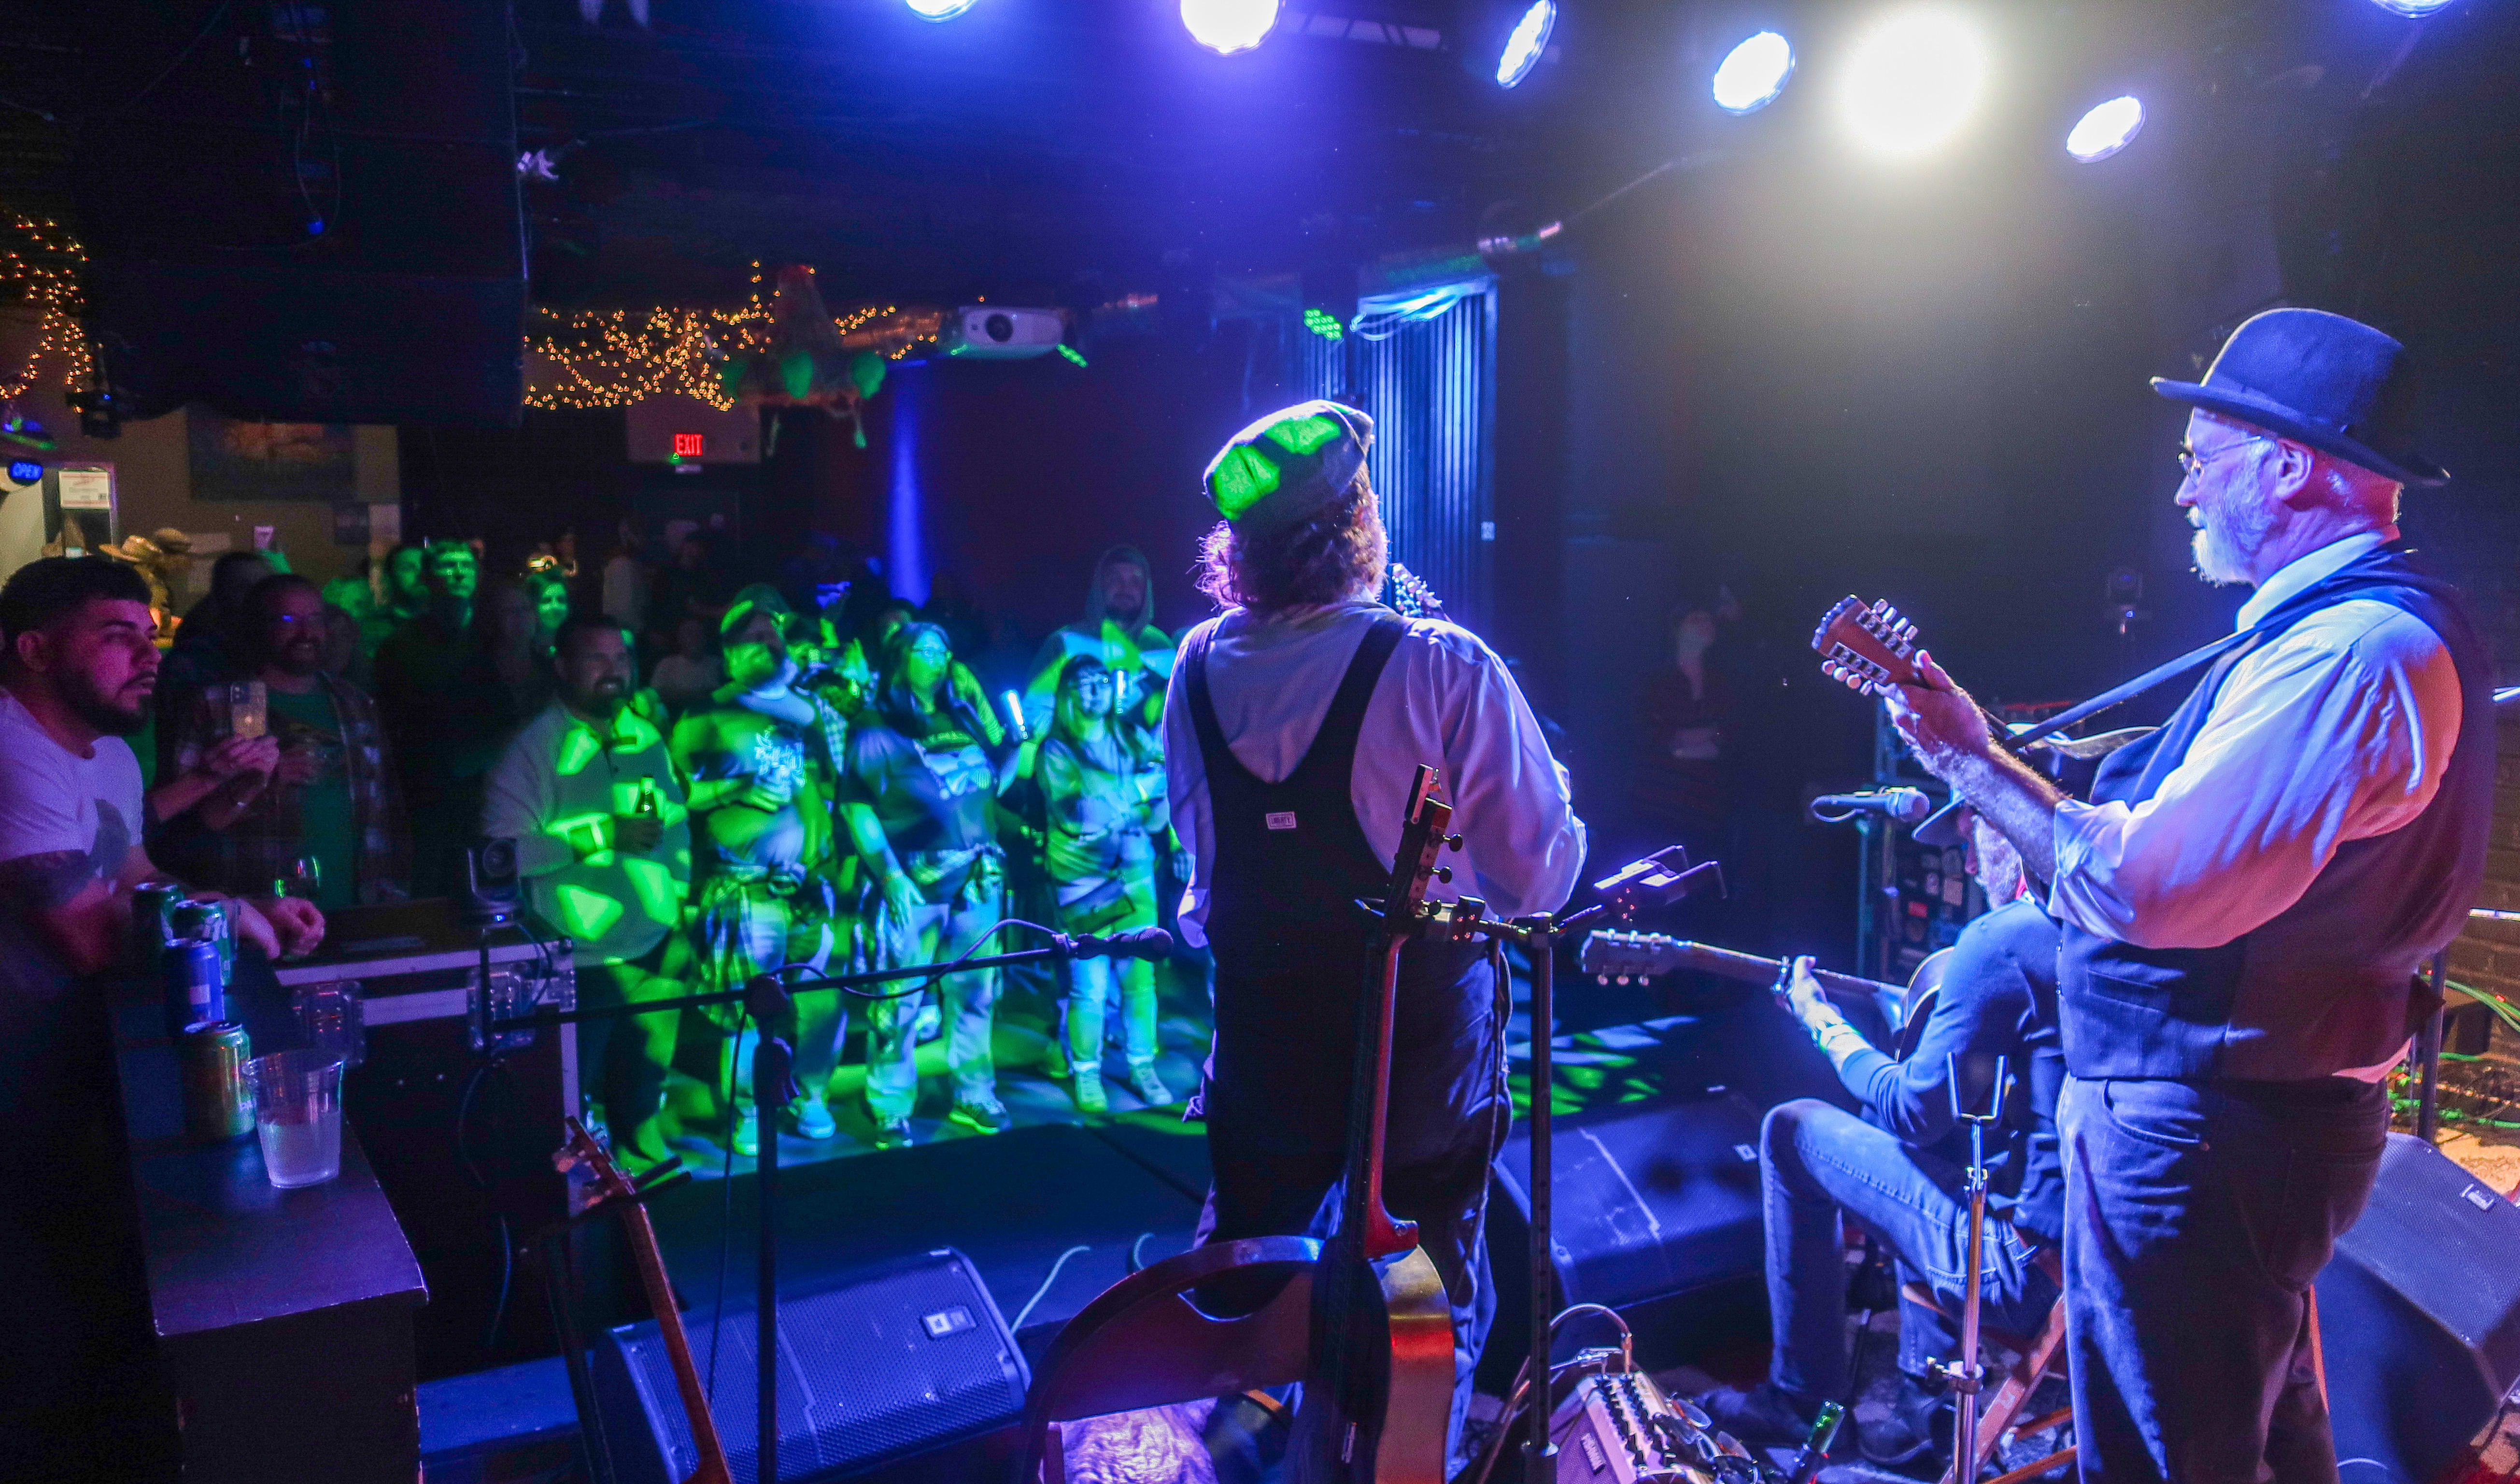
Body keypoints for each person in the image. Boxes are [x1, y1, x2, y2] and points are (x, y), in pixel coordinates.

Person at [1868, 308, 2491, 1483]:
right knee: (2265, 1443)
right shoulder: (2350, 629)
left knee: (2161, 1461)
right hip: (2241, 1127)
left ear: (2289, 465)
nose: (2183, 489)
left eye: (2201, 459)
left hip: (2210, 1138)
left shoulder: (2345, 650)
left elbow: (2145, 888)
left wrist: (1969, 762)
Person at [1165, 401, 1586, 1471]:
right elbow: (1539, 876)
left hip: (1263, 1042)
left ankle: (1231, 1450)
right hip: (1417, 1053)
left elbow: (1205, 875)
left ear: (1241, 550)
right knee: (1419, 1312)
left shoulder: (1196, 662)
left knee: (1245, 1294)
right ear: (1360, 520)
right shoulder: (1443, 663)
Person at [0, 558, 323, 1478]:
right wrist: (230, 913)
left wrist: (242, 902)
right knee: (35, 1347)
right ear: (35, 649)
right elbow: (87, 935)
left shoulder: (108, 751)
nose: (149, 657)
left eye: (150, 637)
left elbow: (138, 876)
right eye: (117, 637)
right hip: (11, 1081)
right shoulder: (11, 745)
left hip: (68, 1062)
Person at [1696, 805, 2061, 1469]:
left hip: (2022, 1277)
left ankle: (1800, 1399)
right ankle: (1924, 1406)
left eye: (1972, 839)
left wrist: (1820, 1022)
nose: (1969, 864)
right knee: (1927, 1147)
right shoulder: (2114, 927)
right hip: (2120, 1267)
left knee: (1793, 1130)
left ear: (2008, 826)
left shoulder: (2004, 938)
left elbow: (1909, 1110)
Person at [484, 614, 692, 1170]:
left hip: (652, 951)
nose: (613, 670)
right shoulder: (532, 748)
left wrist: (679, 910)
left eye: (621, 658)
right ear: (562, 667)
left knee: (643, 1102)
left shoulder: (644, 736)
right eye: (597, 658)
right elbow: (500, 855)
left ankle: (648, 1201)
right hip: (578, 964)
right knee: (569, 1111)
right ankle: (587, 1210)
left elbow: (675, 828)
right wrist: (601, 835)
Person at [673, 585, 845, 1157]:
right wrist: (736, 789)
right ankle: (746, 1109)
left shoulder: (808, 711)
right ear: (729, 653)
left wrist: (814, 865)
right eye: (752, 638)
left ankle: (811, 1095)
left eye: (773, 636)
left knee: (820, 1001)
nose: (767, 644)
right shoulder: (707, 711)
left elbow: (824, 793)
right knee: (747, 1009)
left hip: (806, 887)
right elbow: (676, 797)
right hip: (743, 890)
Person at [842, 620, 1018, 1145]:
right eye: (925, 650)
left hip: (976, 876)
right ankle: (889, 1102)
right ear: (900, 660)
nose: (939, 660)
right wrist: (889, 874)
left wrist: (1014, 747)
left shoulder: (961, 715)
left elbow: (989, 789)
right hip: (915, 878)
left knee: (975, 990)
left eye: (944, 650)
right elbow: (856, 805)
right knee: (901, 997)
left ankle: (975, 1092)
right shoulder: (876, 725)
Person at [155, 573, 411, 910]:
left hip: (359, 902)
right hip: (261, 906)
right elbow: (179, 822)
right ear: (259, 627)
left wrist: (392, 890)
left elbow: (386, 806)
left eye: (314, 619)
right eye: (288, 621)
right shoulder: (221, 704)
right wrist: (263, 780)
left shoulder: (355, 704)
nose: (306, 633)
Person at [1037, 654, 1174, 1112]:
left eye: (1102, 680)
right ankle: (1087, 1072)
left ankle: (1142, 1066)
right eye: (1085, 682)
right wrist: (1137, 792)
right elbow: (1078, 817)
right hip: (1083, 882)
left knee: (1140, 980)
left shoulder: (1132, 737)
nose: (1097, 689)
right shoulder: (1056, 750)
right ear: (1067, 692)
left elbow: (1158, 815)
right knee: (1089, 986)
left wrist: (1136, 801)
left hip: (1136, 875)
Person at [1026, 544, 1170, 734]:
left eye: (1135, 581)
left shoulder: (1161, 646)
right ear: (1100, 586)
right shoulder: (1065, 643)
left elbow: (1175, 716)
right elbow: (1035, 713)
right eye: (1115, 579)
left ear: (1146, 590)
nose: (1125, 588)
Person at [158, 548, 272, 700]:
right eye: (243, 587)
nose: (256, 594)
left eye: (262, 587)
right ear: (222, 590)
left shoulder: (256, 625)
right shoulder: (202, 640)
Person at [601, 517, 649, 637]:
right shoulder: (622, 564)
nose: (646, 539)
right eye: (641, 533)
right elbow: (624, 611)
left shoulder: (628, 563)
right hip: (627, 634)